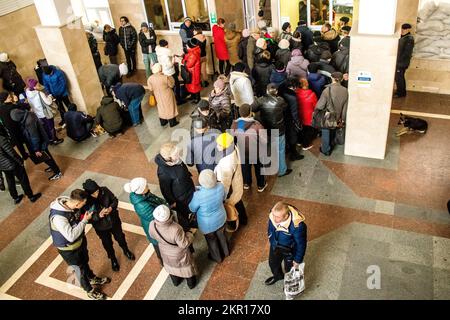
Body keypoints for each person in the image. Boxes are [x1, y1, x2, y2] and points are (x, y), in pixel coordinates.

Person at [49, 189, 110, 299]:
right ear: (77, 203)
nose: (84, 205)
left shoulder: (70, 203)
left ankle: (91, 277)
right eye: (83, 203)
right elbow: (71, 236)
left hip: (80, 242)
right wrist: (84, 221)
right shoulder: (59, 218)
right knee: (79, 270)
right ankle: (89, 290)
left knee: (85, 262)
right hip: (69, 249)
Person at [82, 179, 135, 272]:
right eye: (93, 194)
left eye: (97, 191)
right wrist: (98, 215)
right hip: (101, 227)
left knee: (120, 237)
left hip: (114, 221)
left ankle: (126, 250)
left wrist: (111, 208)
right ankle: (113, 259)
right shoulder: (86, 201)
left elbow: (115, 200)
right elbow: (87, 219)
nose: (96, 194)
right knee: (107, 244)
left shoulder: (104, 190)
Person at [149, 205, 197, 289]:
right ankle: (191, 284)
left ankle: (176, 282)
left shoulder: (152, 224)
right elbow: (183, 244)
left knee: (171, 268)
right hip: (179, 254)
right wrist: (190, 234)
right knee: (186, 268)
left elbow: (152, 236)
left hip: (164, 252)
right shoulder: (176, 228)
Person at [252, 83, 292, 177]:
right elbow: (286, 109)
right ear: (277, 91)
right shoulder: (280, 100)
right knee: (280, 150)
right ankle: (282, 170)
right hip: (279, 130)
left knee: (266, 149)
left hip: (266, 129)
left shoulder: (261, 100)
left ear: (267, 90)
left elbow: (253, 108)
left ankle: (267, 168)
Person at [10, 108, 62, 181]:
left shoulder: (29, 121)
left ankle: (57, 172)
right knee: (46, 157)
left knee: (46, 157)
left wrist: (37, 149)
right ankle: (53, 167)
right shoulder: (28, 114)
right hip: (42, 139)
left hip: (41, 142)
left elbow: (35, 137)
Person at [189, 170, 229, 262]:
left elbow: (192, 208)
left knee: (212, 240)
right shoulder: (220, 186)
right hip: (221, 217)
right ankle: (226, 252)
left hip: (207, 224)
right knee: (222, 235)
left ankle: (217, 257)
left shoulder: (198, 195)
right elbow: (223, 197)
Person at [124, 177, 167, 263]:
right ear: (141, 190)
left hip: (155, 222)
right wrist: (167, 208)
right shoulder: (141, 205)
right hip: (153, 227)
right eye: (146, 185)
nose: (147, 186)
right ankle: (162, 260)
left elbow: (156, 199)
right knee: (157, 244)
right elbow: (156, 217)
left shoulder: (144, 194)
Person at [155, 143, 195, 232]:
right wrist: (172, 202)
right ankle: (188, 223)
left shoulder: (175, 160)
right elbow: (165, 189)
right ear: (168, 158)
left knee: (192, 206)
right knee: (184, 211)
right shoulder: (163, 172)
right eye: (176, 155)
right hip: (180, 197)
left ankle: (192, 215)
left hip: (188, 187)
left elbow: (182, 168)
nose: (178, 156)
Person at [265, 201, 307, 286]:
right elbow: (270, 228)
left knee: (289, 269)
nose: (274, 218)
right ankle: (278, 276)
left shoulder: (298, 226)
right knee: (273, 263)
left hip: (290, 251)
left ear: (286, 216)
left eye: (277, 217)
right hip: (275, 246)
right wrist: (271, 239)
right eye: (273, 215)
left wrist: (297, 260)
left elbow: (301, 244)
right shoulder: (273, 215)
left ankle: (289, 285)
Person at [0, 121, 41, 204]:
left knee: (10, 181)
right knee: (23, 180)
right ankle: (31, 196)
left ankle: (15, 197)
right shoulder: (1, 139)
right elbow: (11, 153)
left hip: (2, 166)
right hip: (12, 164)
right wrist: (20, 161)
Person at [230, 104, 267, 192]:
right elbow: (264, 140)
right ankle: (261, 185)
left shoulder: (235, 124)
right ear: (250, 113)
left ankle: (246, 183)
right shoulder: (257, 125)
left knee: (245, 168)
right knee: (258, 168)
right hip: (256, 152)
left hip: (242, 152)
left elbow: (232, 138)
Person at [214, 133, 247, 226]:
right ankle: (244, 219)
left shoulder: (227, 163)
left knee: (231, 205)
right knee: (238, 201)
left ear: (226, 145)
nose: (217, 146)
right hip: (236, 183)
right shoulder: (233, 147)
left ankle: (234, 223)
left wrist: (222, 196)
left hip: (230, 189)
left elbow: (225, 183)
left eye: (220, 145)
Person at [315, 72, 348, 156]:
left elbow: (320, 105)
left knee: (326, 132)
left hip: (328, 116)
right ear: (341, 79)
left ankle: (325, 150)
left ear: (332, 78)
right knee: (333, 130)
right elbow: (345, 108)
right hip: (337, 116)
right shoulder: (345, 91)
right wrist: (342, 119)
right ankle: (332, 144)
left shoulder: (327, 90)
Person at [25, 79, 64, 145]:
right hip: (45, 113)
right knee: (51, 127)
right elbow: (48, 102)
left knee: (45, 127)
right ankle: (54, 140)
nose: (38, 85)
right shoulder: (39, 93)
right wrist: (49, 97)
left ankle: (50, 140)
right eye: (37, 84)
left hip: (38, 114)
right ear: (34, 87)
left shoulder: (28, 93)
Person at [278, 78, 304, 161]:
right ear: (293, 87)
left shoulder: (281, 88)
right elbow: (294, 112)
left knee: (286, 135)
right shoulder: (292, 97)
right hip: (289, 118)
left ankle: (287, 149)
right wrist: (297, 122)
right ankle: (294, 154)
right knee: (292, 135)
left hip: (280, 116)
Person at [147, 63, 179, 127]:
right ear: (160, 69)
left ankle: (163, 122)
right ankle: (172, 122)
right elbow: (172, 85)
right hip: (167, 94)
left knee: (161, 107)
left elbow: (150, 88)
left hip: (157, 95)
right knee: (170, 107)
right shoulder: (165, 77)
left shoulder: (150, 78)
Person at [0, 92, 29, 159]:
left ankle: (24, 155)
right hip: (16, 126)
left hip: (8, 128)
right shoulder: (10, 106)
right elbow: (23, 106)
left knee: (18, 143)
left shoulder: (1, 107)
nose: (10, 98)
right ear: (4, 99)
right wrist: (17, 102)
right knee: (25, 139)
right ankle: (31, 152)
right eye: (9, 97)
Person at [156, 39, 183, 104]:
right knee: (176, 84)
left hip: (163, 71)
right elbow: (170, 65)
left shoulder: (159, 51)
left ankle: (172, 99)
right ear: (166, 46)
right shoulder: (166, 54)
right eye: (167, 45)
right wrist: (173, 59)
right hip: (169, 71)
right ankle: (178, 100)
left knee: (168, 86)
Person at [296, 78, 318, 150]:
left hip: (299, 114)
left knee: (300, 128)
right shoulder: (312, 94)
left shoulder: (296, 93)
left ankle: (299, 141)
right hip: (308, 115)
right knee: (307, 131)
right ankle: (305, 145)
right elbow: (315, 106)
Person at [395, 23, 415, 98]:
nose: (403, 30)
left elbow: (407, 53)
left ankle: (401, 93)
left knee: (399, 77)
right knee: (398, 77)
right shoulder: (402, 37)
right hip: (399, 62)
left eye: (405, 29)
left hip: (402, 63)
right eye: (402, 28)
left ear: (408, 29)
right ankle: (400, 92)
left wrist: (400, 62)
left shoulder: (409, 39)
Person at [183, 39, 202, 103]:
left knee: (195, 86)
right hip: (193, 71)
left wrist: (183, 59)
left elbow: (188, 64)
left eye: (187, 45)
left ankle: (197, 99)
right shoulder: (194, 51)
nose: (186, 46)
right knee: (192, 85)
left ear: (191, 46)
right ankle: (193, 97)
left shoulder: (193, 54)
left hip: (193, 72)